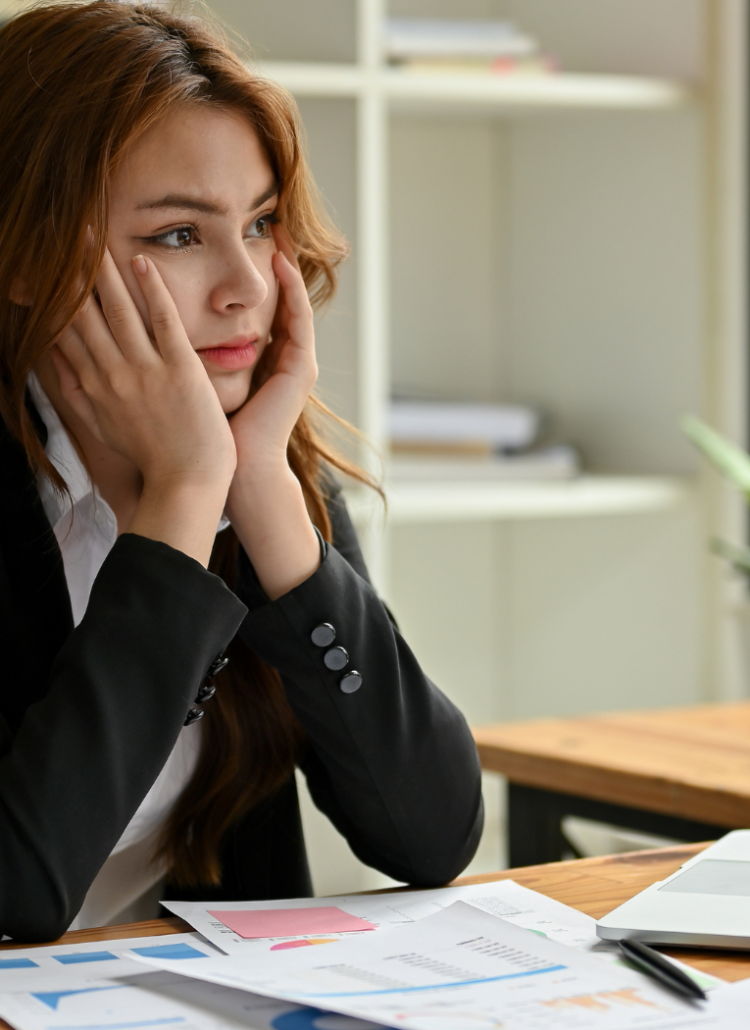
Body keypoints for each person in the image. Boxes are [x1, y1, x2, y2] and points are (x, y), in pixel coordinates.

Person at [0, 0, 483, 943]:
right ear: (25, 254)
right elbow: (16, 893)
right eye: (179, 235)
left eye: (260, 223)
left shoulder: (263, 460)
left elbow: (432, 834)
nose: (248, 286)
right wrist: (182, 499)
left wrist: (259, 489)